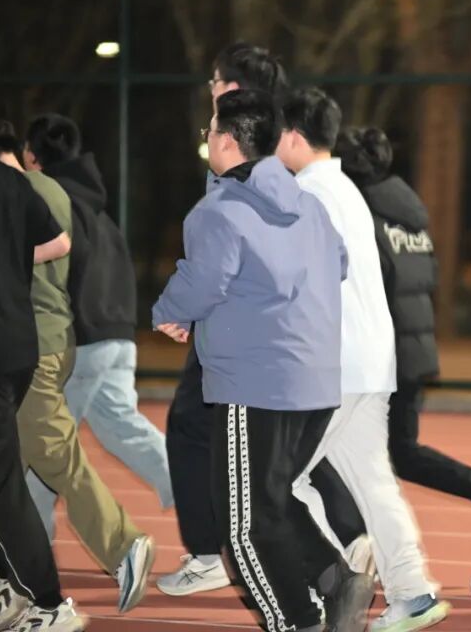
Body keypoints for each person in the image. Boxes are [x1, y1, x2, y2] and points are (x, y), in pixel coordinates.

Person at [153, 88, 353, 632]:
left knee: (243, 529)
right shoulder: (309, 205)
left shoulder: (218, 211)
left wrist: (168, 312)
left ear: (225, 141)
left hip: (257, 381)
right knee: (270, 500)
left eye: (209, 131)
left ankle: (297, 621)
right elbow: (338, 263)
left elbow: (203, 282)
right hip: (316, 380)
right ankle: (332, 578)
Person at [278, 88, 450, 632]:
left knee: (275, 483)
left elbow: (302, 282)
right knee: (374, 481)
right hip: (373, 360)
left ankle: (336, 575)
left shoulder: (306, 193)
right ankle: (412, 592)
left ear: (293, 137)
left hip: (333, 363)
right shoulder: (347, 189)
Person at [0, 121, 155, 619]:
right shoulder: (48, 190)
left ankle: (122, 543)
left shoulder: (13, 189)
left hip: (34, 339)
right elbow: (65, 250)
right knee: (10, 457)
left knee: (52, 453)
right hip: (52, 336)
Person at [158, 41, 291, 596]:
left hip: (239, 325)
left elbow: (226, 251)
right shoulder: (279, 149)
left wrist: (185, 307)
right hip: (269, 321)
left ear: (232, 89)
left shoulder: (237, 159)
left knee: (196, 428)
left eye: (215, 81)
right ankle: (337, 546)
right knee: (277, 447)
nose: (210, 89)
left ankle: (215, 554)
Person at [0, 68, 87, 631]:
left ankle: (50, 603)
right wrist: (1, 259)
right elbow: (57, 241)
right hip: (14, 347)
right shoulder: (10, 180)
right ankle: (17, 583)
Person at [17, 113, 172, 539]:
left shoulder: (52, 205)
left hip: (81, 341)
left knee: (44, 442)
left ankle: (26, 546)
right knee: (124, 429)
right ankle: (199, 495)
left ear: (32, 157)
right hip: (118, 335)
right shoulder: (99, 208)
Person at [335, 126, 471, 523]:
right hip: (412, 353)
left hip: (379, 358)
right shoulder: (408, 217)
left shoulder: (360, 218)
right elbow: (426, 279)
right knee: (399, 452)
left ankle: (354, 540)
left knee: (333, 449)